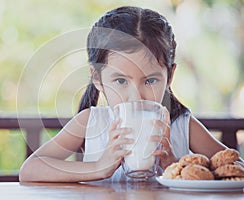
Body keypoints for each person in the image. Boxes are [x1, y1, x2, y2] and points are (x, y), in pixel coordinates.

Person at [19, 6, 241, 182]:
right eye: (121, 81)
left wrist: (176, 166)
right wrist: (98, 167)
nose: (136, 96)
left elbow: (236, 168)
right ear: (97, 78)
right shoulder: (91, 122)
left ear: (169, 76)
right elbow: (30, 170)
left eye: (150, 80)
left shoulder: (182, 125)